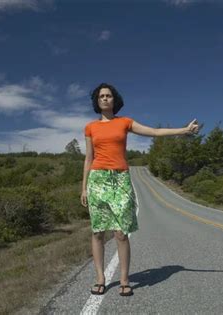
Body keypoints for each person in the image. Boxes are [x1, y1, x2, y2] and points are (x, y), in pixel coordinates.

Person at [80, 83, 199, 297]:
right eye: (101, 96)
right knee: (97, 232)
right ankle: (100, 278)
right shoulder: (90, 127)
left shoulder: (125, 122)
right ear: (97, 102)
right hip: (97, 180)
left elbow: (154, 131)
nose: (105, 99)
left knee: (120, 233)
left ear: (114, 100)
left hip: (121, 179)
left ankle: (124, 280)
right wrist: (84, 188)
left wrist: (184, 130)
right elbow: (88, 158)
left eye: (108, 96)